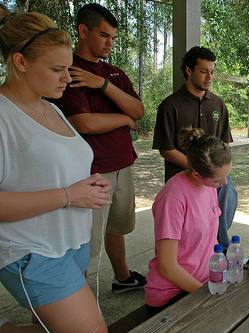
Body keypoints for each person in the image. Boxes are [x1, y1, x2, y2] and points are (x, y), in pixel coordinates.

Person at [0, 5, 111, 332]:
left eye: (69, 68)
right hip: (32, 252)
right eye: (57, 69)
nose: (68, 77)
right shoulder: (4, 115)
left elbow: (48, 169)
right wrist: (68, 194)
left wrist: (87, 185)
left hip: (70, 243)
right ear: (20, 62)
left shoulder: (50, 106)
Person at [51, 3, 146, 293]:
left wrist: (103, 84)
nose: (110, 43)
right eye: (104, 35)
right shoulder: (68, 73)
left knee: (117, 228)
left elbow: (139, 110)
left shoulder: (113, 73)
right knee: (84, 241)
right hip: (90, 171)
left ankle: (123, 277)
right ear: (83, 31)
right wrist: (124, 119)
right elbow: (83, 123)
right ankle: (75, 298)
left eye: (113, 37)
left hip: (122, 163)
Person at [153, 46, 237, 250]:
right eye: (203, 71)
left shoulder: (218, 104)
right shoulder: (170, 105)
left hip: (213, 175)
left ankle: (220, 248)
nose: (209, 77)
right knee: (189, 237)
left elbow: (224, 143)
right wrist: (199, 168)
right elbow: (166, 149)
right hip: (182, 177)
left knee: (228, 191)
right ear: (189, 70)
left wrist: (213, 171)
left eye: (212, 71)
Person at [145, 127, 231, 316]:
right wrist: (207, 294)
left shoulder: (207, 186)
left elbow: (211, 238)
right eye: (219, 180)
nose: (225, 183)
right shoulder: (173, 198)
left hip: (202, 283)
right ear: (197, 174)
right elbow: (167, 267)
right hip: (172, 294)